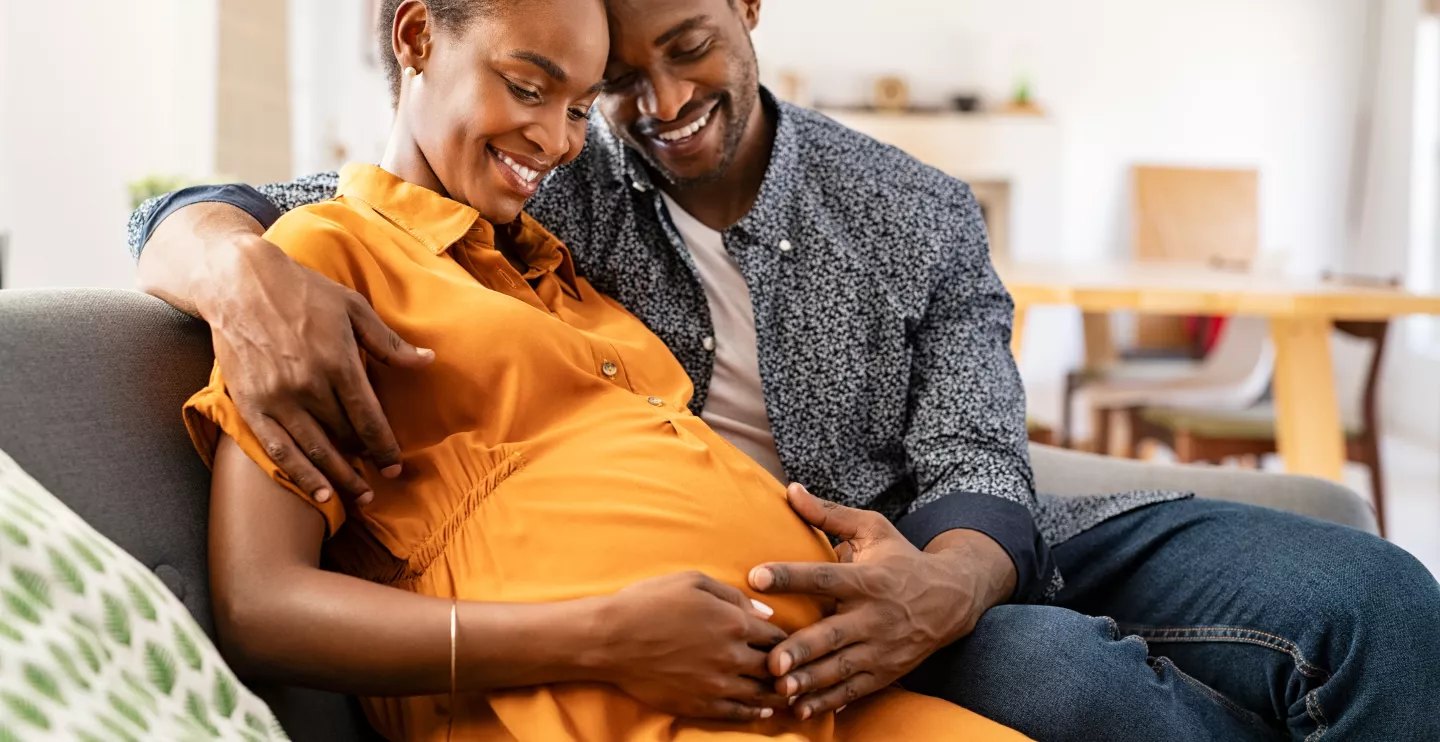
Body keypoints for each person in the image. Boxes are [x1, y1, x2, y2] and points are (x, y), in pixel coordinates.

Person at [130, 0, 1440, 739]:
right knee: (1074, 689)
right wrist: (231, 269)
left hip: (955, 541)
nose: (650, 108)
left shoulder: (913, 209)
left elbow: (982, 460)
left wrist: (940, 582)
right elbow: (293, 213)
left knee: (1376, 593)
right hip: (792, 596)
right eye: (610, 80)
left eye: (687, 46)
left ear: (751, 10)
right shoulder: (547, 181)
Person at [184, 0, 1029, 739]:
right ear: (416, 36)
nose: (557, 141)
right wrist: (603, 636)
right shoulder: (313, 268)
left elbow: (981, 455)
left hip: (814, 694)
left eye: (582, 107)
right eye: (527, 87)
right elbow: (261, 608)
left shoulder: (559, 271)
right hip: (603, 705)